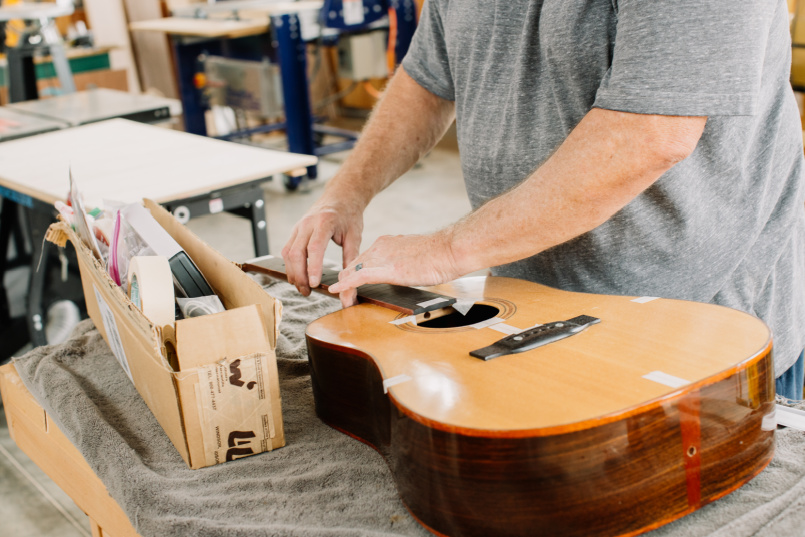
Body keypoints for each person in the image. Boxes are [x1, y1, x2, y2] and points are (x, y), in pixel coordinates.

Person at [282, 0, 805, 399]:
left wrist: (447, 250)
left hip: (700, 325)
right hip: (530, 311)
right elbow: (426, 81)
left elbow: (650, 134)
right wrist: (344, 194)